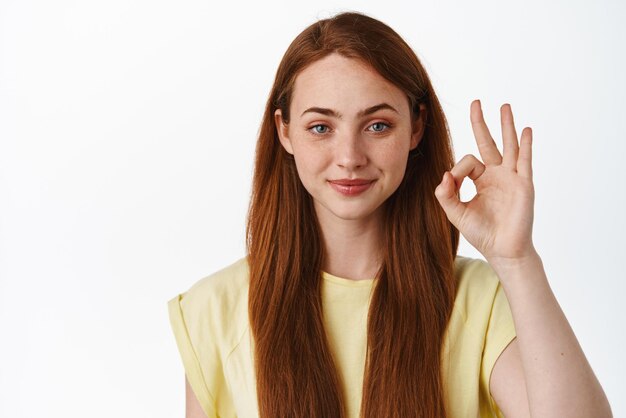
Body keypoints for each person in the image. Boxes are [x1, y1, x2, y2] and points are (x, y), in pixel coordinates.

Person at [167, 11, 612, 418]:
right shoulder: (213, 311)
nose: (349, 157)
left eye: (377, 125)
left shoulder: (480, 299)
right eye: (321, 127)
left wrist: (517, 261)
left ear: (416, 127)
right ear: (285, 131)